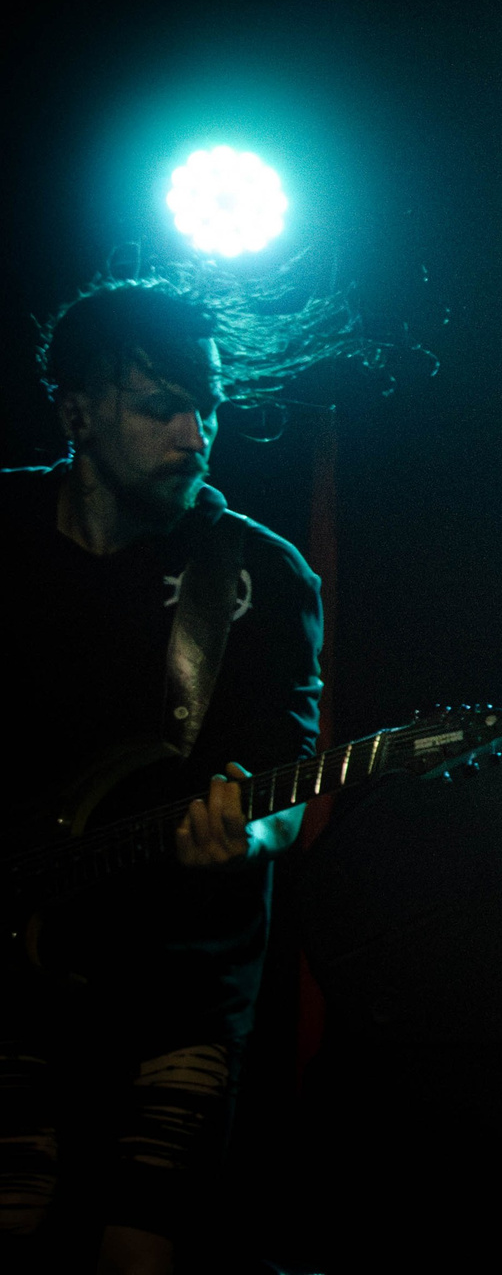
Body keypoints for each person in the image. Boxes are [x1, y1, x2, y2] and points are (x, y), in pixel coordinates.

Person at [1, 280, 323, 1275]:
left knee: (139, 1248)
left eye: (210, 406)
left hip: (181, 981)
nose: (196, 434)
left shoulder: (258, 578)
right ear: (77, 413)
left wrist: (250, 828)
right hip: (14, 978)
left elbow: (289, 789)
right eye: (161, 407)